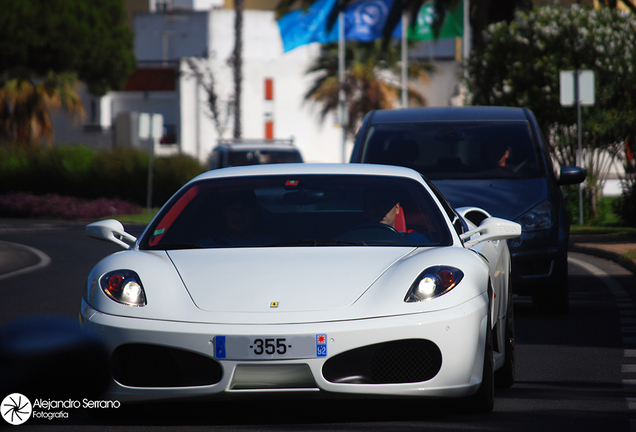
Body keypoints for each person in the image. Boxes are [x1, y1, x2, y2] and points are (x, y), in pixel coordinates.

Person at [199, 190, 279, 246]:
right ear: (224, 213)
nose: (239, 215)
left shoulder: (274, 245)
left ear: (254, 213)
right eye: (233, 209)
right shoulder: (203, 246)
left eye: (244, 209)